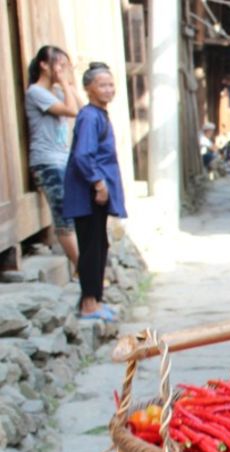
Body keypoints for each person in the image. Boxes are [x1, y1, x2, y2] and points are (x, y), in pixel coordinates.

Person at [63, 62, 125, 321]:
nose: (108, 89)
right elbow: (83, 155)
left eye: (111, 84)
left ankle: (95, 300)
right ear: (88, 88)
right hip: (88, 193)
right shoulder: (89, 116)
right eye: (102, 85)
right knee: (90, 247)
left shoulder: (99, 114)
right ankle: (89, 303)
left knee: (99, 244)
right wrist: (98, 184)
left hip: (94, 192)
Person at [25, 45, 80, 272]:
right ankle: (82, 269)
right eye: (59, 64)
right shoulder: (36, 92)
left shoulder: (57, 92)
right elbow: (71, 111)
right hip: (47, 162)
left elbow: (81, 107)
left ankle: (82, 270)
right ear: (44, 65)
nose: (63, 69)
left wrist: (68, 82)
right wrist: (65, 84)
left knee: (72, 215)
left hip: (62, 161)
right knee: (63, 217)